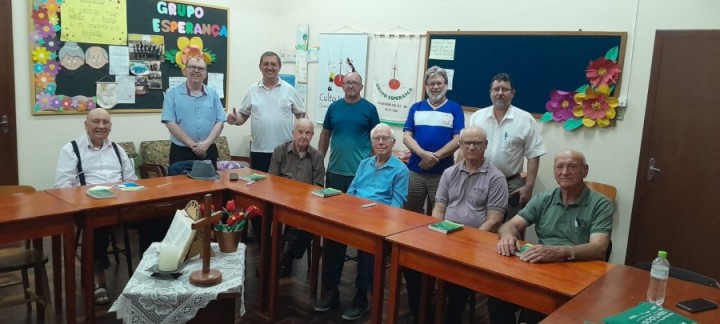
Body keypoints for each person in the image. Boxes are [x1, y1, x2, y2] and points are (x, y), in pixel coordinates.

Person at [491, 150, 613, 324]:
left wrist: (560, 252)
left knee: (541, 306)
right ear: (554, 172)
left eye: (572, 166)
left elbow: (599, 248)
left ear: (585, 170)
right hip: (542, 267)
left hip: (579, 271)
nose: (565, 172)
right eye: (560, 167)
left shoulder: (601, 203)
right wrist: (507, 236)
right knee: (498, 292)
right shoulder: (544, 198)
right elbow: (510, 225)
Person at [406, 126, 508, 324]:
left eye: (477, 143)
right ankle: (423, 314)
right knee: (412, 266)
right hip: (444, 236)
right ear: (459, 145)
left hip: (475, 243)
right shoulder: (449, 173)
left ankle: (451, 318)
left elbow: (494, 219)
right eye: (467, 142)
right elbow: (438, 209)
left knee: (456, 277)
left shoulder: (496, 178)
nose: (471, 147)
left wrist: (470, 240)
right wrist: (437, 232)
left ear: (485, 146)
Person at [314, 124, 409, 321]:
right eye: (377, 139)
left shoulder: (401, 170)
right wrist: (350, 212)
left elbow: (396, 207)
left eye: (385, 139)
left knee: (369, 248)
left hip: (379, 223)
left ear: (393, 142)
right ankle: (331, 290)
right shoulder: (364, 163)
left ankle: (361, 296)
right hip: (354, 216)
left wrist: (373, 214)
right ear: (372, 143)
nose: (381, 142)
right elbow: (351, 193)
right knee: (332, 238)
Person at [54, 108, 137, 305]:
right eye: (96, 122)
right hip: (89, 207)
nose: (101, 127)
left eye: (105, 123)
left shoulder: (118, 149)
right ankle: (98, 281)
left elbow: (131, 180)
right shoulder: (71, 149)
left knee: (157, 217)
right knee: (97, 225)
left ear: (110, 126)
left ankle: (149, 273)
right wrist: (88, 195)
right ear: (86, 125)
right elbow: (62, 187)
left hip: (120, 204)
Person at [468, 73, 548, 221]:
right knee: (477, 222)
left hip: (510, 184)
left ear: (512, 93)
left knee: (508, 226)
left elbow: (534, 155)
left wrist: (529, 187)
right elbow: (466, 149)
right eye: (496, 89)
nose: (500, 93)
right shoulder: (477, 117)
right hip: (479, 180)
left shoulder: (525, 120)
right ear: (490, 92)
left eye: (504, 89)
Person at [226, 51, 305, 172]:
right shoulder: (252, 90)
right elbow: (243, 116)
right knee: (260, 188)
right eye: (266, 64)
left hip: (286, 151)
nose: (270, 67)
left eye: (273, 64)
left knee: (285, 188)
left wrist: (303, 137)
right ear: (260, 67)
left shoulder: (289, 90)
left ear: (279, 67)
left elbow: (302, 116)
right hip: (259, 150)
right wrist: (236, 119)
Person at [403, 66, 464, 215]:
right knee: (410, 213)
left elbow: (458, 140)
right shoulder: (416, 107)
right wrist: (423, 154)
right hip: (415, 171)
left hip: (442, 174)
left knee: (438, 216)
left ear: (446, 85)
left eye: (439, 83)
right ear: (426, 86)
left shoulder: (455, 109)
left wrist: (434, 157)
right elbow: (406, 137)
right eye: (431, 83)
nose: (435, 87)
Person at [267, 118, 325, 277]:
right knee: (260, 218)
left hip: (306, 205)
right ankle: (269, 258)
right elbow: (271, 181)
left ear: (312, 135)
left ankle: (289, 256)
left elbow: (319, 187)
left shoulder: (317, 157)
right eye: (300, 132)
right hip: (282, 202)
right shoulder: (280, 151)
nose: (303, 136)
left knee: (313, 223)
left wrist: (304, 202)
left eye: (308, 133)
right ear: (293, 133)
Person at [318, 72, 380, 193]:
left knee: (355, 209)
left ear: (361, 87)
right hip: (334, 170)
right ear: (342, 86)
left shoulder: (370, 109)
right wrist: (319, 161)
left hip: (360, 171)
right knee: (332, 207)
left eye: (355, 83)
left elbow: (377, 139)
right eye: (348, 82)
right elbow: (325, 134)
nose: (351, 86)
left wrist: (374, 166)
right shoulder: (333, 107)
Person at [161, 56, 226, 167]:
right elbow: (170, 123)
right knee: (181, 184)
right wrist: (193, 145)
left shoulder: (213, 94)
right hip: (182, 151)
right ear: (185, 71)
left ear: (205, 74)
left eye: (201, 68)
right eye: (192, 67)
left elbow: (220, 121)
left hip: (208, 150)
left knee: (210, 184)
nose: (196, 71)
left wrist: (206, 143)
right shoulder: (172, 93)